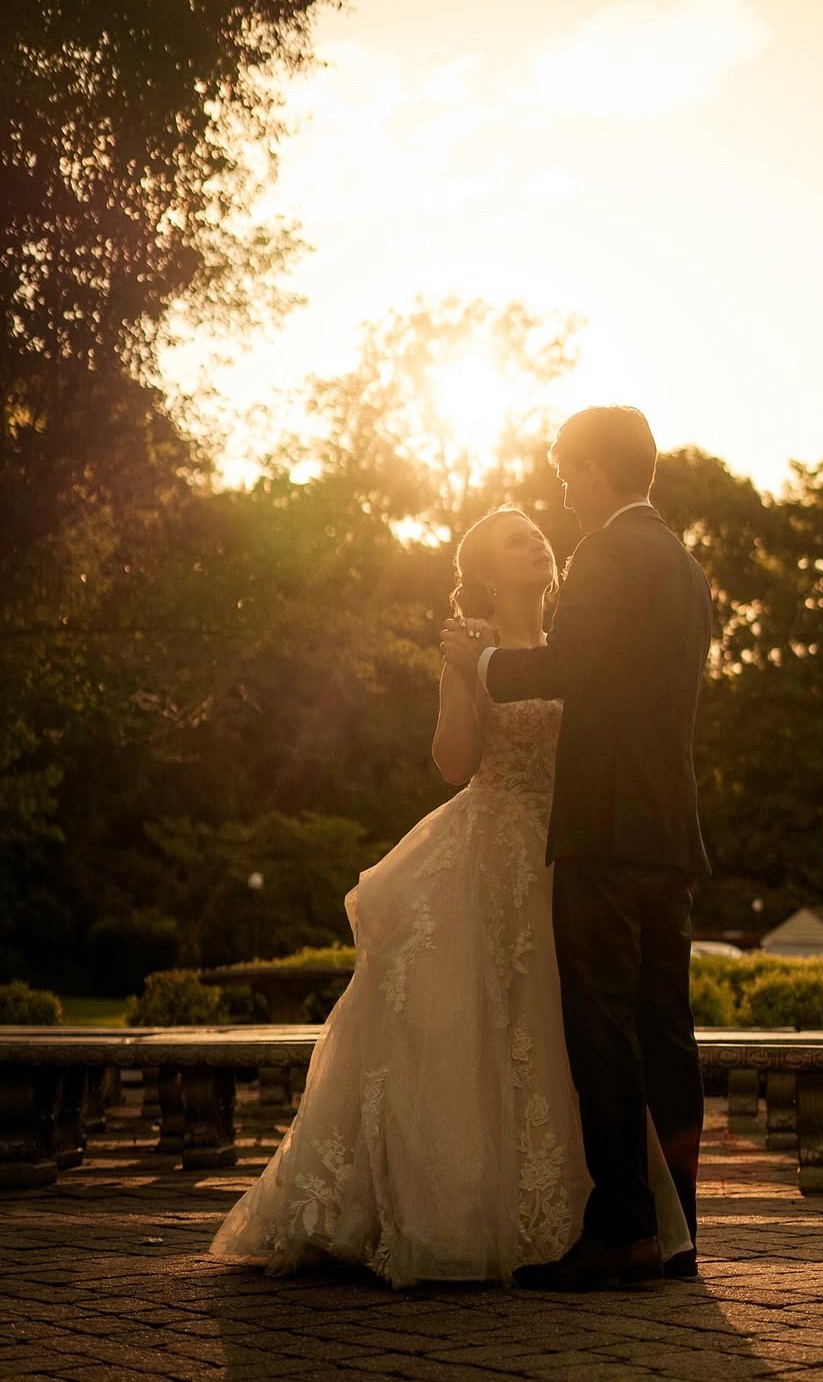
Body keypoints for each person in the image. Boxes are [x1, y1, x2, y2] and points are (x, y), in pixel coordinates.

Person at [208, 505, 690, 1287]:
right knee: (467, 1022)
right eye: (512, 538)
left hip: (569, 855)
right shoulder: (470, 649)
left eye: (536, 530)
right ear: (485, 573)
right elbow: (454, 762)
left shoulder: (578, 648)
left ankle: (584, 1220)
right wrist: (466, 675)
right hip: (489, 846)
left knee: (576, 1032)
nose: (535, 539)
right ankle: (451, 1210)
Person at [441, 405, 712, 1291]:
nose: (563, 488)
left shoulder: (607, 552)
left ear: (597, 469)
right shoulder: (684, 563)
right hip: (669, 826)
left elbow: (570, 667)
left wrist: (478, 668)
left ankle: (624, 1225)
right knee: (667, 1028)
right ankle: (678, 1227)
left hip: (601, 825)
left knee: (600, 1024)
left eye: (567, 470)